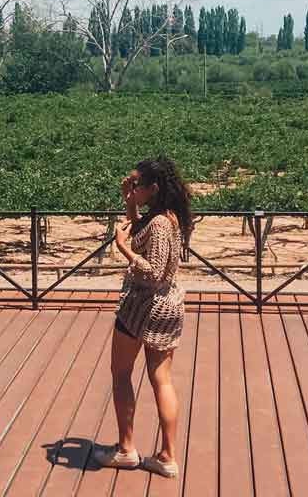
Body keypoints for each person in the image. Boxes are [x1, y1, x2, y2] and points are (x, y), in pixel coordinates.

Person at [91, 155, 189, 478]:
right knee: (161, 379)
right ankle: (167, 456)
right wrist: (129, 204)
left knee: (120, 373)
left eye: (137, 184)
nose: (132, 187)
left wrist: (124, 249)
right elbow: (141, 232)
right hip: (167, 308)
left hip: (142, 308)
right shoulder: (167, 216)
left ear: (154, 188)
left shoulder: (160, 224)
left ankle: (126, 449)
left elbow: (154, 271)